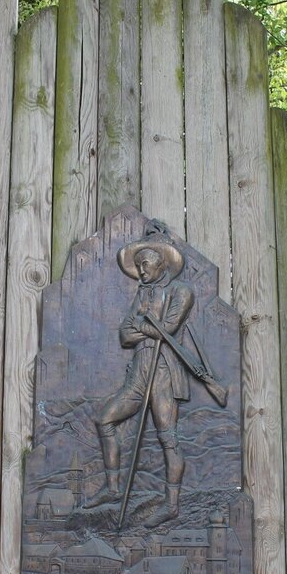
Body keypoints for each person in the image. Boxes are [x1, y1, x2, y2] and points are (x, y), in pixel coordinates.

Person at [86, 223, 194, 526]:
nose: (141, 271)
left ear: (161, 262)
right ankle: (113, 487)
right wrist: (148, 330)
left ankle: (171, 504)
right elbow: (124, 334)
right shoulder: (142, 295)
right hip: (138, 373)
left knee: (168, 440)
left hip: (164, 374)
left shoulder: (180, 292)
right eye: (137, 266)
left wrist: (143, 328)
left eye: (144, 264)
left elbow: (168, 331)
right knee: (104, 419)